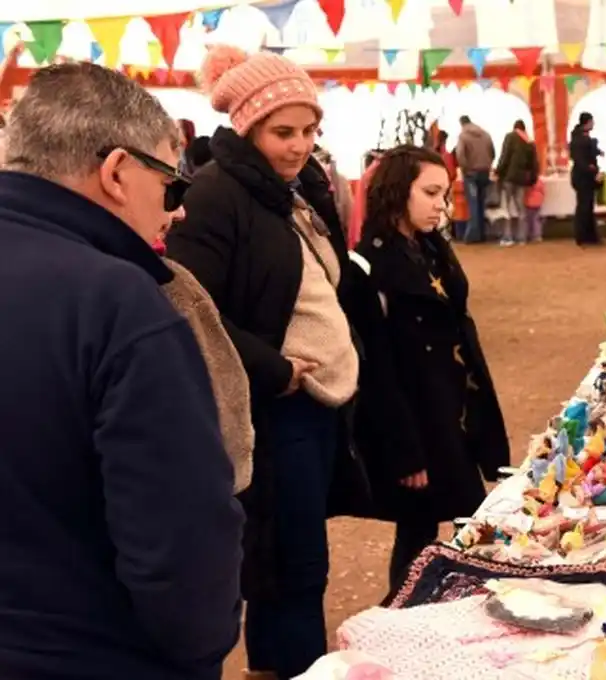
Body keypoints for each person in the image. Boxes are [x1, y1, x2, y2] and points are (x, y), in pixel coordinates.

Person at [0, 61, 243, 680]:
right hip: (91, 654)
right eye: (169, 184)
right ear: (116, 172)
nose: (177, 211)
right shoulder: (118, 302)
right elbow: (179, 534)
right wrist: (201, 646)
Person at [166, 45, 363, 680]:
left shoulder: (292, 191)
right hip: (273, 411)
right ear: (248, 127)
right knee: (287, 566)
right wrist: (273, 369)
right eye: (284, 132)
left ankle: (284, 664)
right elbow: (191, 304)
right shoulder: (216, 195)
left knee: (300, 560)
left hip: (317, 406)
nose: (300, 145)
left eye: (309, 130)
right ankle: (286, 669)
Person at [340, 145, 510, 592]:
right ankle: (403, 612)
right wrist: (404, 450)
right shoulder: (368, 266)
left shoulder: (433, 249)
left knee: (467, 520)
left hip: (453, 412)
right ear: (399, 192)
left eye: (445, 193)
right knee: (422, 527)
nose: (442, 205)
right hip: (415, 421)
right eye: (431, 193)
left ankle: (450, 604)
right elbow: (375, 370)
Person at [495, 119, 540, 246]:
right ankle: (522, 238)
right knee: (521, 209)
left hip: (509, 178)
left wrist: (498, 172)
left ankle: (508, 237)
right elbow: (534, 164)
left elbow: (505, 156)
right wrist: (532, 180)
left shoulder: (510, 137)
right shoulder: (529, 141)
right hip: (522, 180)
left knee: (506, 208)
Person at [454, 115, 495, 244]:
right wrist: (487, 164)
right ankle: (482, 234)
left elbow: (460, 154)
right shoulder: (486, 135)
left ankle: (472, 236)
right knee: (481, 204)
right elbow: (492, 153)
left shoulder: (463, 136)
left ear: (461, 124)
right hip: (484, 172)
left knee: (473, 205)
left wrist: (465, 169)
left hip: (471, 173)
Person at [570, 111, 602, 246]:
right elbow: (580, 159)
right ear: (587, 122)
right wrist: (591, 168)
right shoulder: (580, 139)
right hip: (583, 177)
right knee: (584, 206)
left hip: (584, 176)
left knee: (587, 206)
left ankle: (588, 235)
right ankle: (583, 236)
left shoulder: (578, 137)